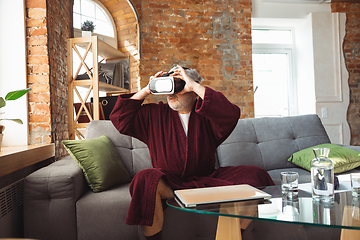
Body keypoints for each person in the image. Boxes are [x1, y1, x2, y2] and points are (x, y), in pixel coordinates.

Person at [110, 65, 274, 240]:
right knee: (144, 178)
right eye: (169, 87)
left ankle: (228, 236)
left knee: (256, 175)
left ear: (193, 91)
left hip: (207, 180)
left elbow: (231, 114)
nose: (172, 93)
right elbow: (120, 119)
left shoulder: (207, 115)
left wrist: (194, 85)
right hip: (169, 183)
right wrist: (147, 90)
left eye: (178, 87)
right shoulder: (154, 114)